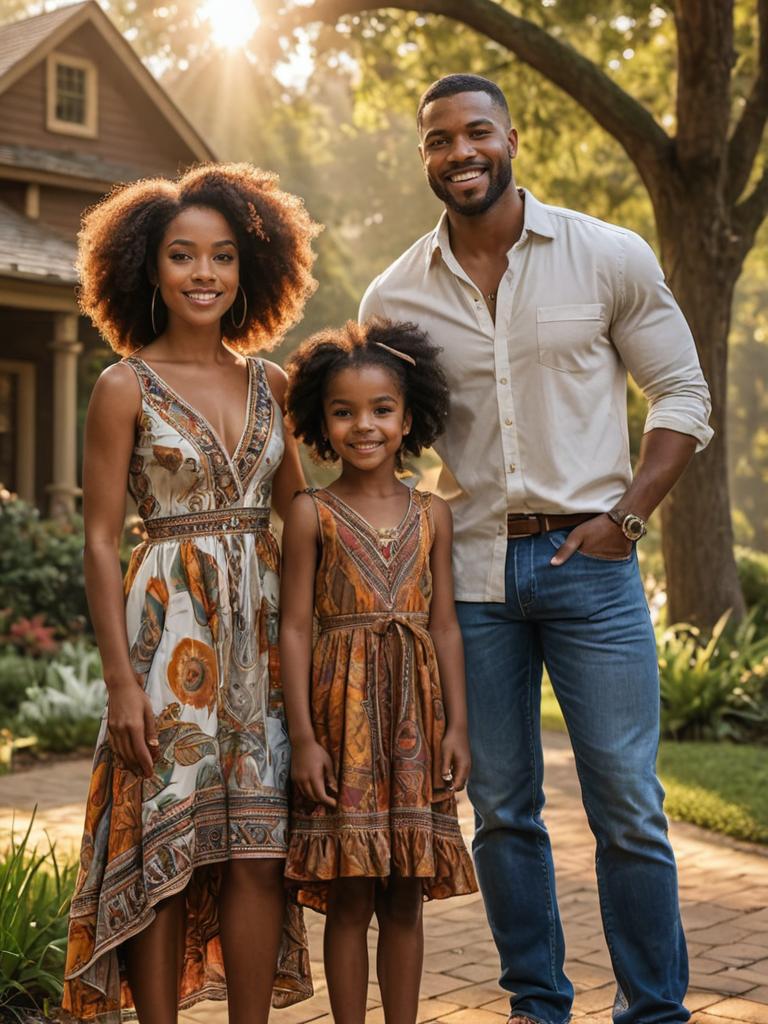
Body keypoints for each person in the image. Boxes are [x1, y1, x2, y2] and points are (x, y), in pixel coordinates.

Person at [359, 74, 713, 1024]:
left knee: (628, 809)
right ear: (425, 155)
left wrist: (626, 519)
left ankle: (654, 1009)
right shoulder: (394, 295)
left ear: (511, 138)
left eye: (477, 133)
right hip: (468, 579)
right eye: (439, 140)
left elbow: (682, 393)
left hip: (591, 568)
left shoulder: (605, 255)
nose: (460, 152)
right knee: (503, 812)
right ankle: (537, 1006)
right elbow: (376, 435)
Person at [62, 163, 319, 1024]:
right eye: (182, 256)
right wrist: (121, 682)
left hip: (262, 635)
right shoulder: (121, 387)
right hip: (165, 639)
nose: (204, 273)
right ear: (149, 269)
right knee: (164, 846)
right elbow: (100, 540)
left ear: (252, 270)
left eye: (222, 256)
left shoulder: (272, 386)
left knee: (256, 848)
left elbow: (303, 522)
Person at [279, 319, 477, 1024]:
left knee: (403, 890)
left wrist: (459, 726)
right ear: (319, 422)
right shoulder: (311, 514)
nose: (363, 425)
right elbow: (295, 628)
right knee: (352, 889)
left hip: (415, 723)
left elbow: (446, 625)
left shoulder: (434, 516)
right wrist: (304, 737)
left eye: (381, 409)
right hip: (341, 718)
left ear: (408, 417)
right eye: (343, 411)